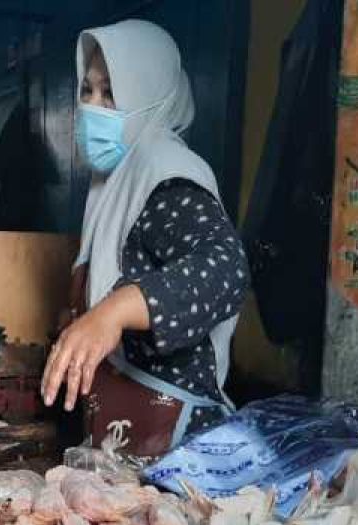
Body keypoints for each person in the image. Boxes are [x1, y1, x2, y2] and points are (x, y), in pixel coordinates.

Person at [41, 20, 250, 458]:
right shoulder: (113, 182)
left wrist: (113, 313)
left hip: (177, 444)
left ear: (151, 95)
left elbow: (226, 270)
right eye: (88, 90)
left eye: (111, 93)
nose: (93, 106)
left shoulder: (167, 172)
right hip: (123, 438)